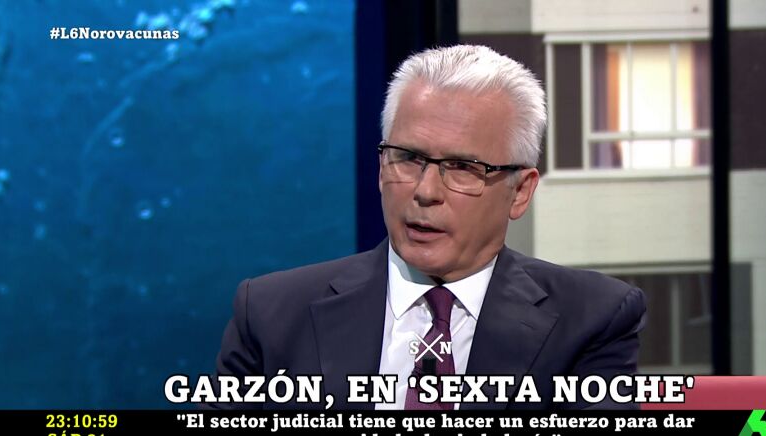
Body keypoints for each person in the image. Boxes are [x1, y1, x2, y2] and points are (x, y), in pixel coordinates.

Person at [207, 45, 646, 410]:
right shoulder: (270, 315)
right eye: (409, 158)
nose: (425, 191)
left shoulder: (592, 320)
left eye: (463, 167)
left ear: (520, 192)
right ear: (381, 166)